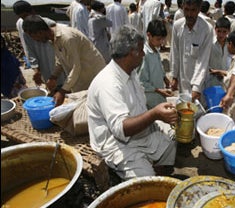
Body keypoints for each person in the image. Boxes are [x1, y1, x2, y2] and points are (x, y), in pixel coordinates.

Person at [87, 25, 178, 180]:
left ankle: (159, 173)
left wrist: (156, 115)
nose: (143, 54)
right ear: (131, 54)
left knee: (172, 139)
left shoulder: (131, 72)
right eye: (141, 50)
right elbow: (121, 130)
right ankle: (151, 175)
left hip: (140, 131)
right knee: (147, 182)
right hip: (117, 144)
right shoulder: (108, 84)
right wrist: (155, 113)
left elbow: (139, 106)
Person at [22, 15, 106, 107]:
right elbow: (61, 60)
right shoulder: (53, 39)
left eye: (32, 36)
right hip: (81, 75)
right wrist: (53, 77)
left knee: (98, 103)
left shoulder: (67, 38)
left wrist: (62, 91)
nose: (34, 40)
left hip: (93, 72)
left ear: (40, 32)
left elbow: (75, 67)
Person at [13, 0, 65, 89]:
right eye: (21, 17)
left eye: (25, 16)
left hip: (56, 62)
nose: (25, 19)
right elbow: (29, 50)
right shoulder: (25, 29)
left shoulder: (49, 23)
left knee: (62, 83)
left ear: (32, 11)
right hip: (44, 64)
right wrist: (36, 70)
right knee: (50, 85)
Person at [170, 0, 213, 102]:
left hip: (200, 83)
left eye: (193, 10)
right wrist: (174, 76)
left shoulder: (207, 29)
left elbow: (203, 60)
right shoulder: (177, 26)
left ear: (198, 10)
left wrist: (196, 87)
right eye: (186, 10)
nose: (189, 14)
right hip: (183, 79)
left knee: (199, 111)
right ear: (182, 7)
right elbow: (174, 52)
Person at [139, 19, 172, 109]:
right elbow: (142, 82)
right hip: (149, 98)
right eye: (158, 39)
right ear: (149, 35)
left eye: (162, 39)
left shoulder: (155, 50)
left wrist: (164, 78)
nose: (161, 42)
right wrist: (158, 90)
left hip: (158, 96)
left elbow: (159, 67)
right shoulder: (144, 54)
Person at [205, 17, 231, 88]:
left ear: (229, 31)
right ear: (215, 29)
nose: (221, 34)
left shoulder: (230, 45)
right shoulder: (210, 43)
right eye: (219, 31)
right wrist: (214, 71)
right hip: (211, 80)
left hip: (226, 81)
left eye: (224, 32)